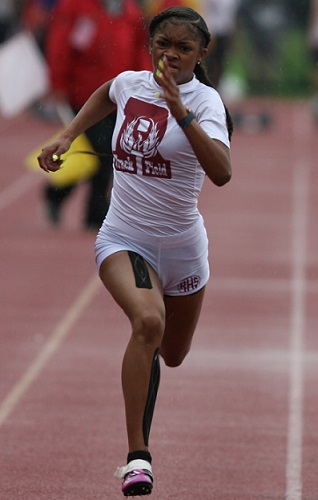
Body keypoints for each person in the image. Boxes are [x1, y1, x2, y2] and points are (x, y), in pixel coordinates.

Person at [38, 6, 233, 497]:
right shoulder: (130, 83)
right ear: (151, 44)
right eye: (163, 44)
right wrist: (66, 134)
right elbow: (106, 92)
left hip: (185, 249)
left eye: (183, 48)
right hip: (124, 236)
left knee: (173, 353)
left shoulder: (206, 102)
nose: (171, 55)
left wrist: (181, 111)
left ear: (200, 54)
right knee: (148, 322)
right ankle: (137, 458)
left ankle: (142, 428)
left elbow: (222, 171)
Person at [42, 0, 151, 229]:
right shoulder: (75, 6)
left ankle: (58, 194)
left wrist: (147, 83)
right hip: (83, 96)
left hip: (120, 98)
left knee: (106, 152)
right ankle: (95, 211)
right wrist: (58, 84)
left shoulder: (128, 9)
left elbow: (138, 49)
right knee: (104, 151)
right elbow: (60, 45)